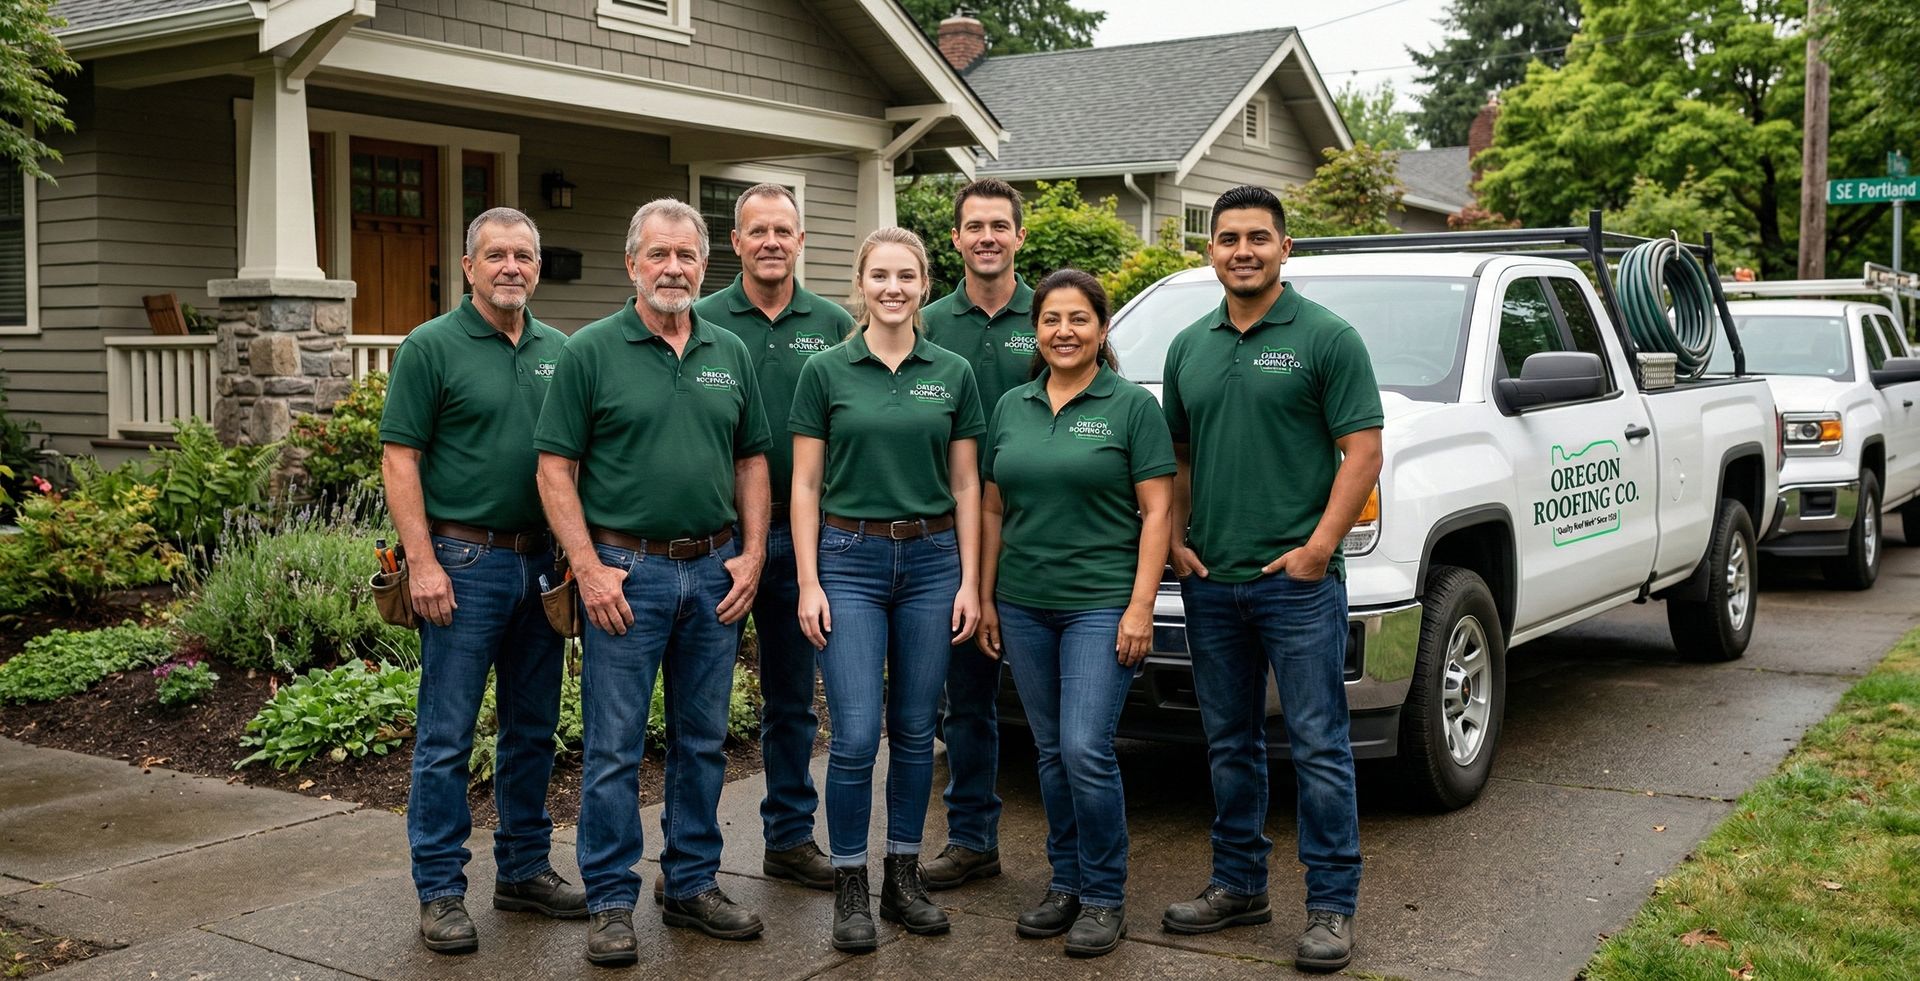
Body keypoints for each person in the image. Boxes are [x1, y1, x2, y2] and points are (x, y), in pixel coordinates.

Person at [533, 199, 773, 966]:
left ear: (707, 265)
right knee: (613, 746)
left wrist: (754, 552)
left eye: (688, 255)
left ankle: (693, 881)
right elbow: (554, 469)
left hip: (713, 571)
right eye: (659, 254)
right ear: (632, 263)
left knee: (703, 740)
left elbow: (752, 461)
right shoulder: (591, 352)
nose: (675, 268)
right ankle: (609, 898)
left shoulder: (728, 350)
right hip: (623, 576)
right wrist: (587, 566)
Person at [1158, 184, 1384, 973]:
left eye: (1258, 236)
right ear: (1211, 249)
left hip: (1297, 581)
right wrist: (1179, 541)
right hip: (1212, 582)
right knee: (1228, 741)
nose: (1242, 249)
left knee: (1319, 742)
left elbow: (1363, 452)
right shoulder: (1190, 345)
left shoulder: (1327, 337)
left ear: (1287, 247)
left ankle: (1331, 903)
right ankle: (1238, 882)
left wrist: (1320, 547)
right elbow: (1179, 456)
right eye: (1227, 238)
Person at [379, 206, 584, 956]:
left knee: (532, 729)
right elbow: (400, 459)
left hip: (543, 566)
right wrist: (423, 559)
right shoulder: (430, 347)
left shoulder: (562, 350)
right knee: (445, 735)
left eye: (524, 255)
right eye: (495, 254)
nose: (511, 267)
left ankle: (525, 869)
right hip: (464, 563)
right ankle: (439, 890)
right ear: (469, 267)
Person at [788, 226, 985, 953]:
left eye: (907, 275)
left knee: (912, 729)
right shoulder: (827, 370)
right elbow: (804, 483)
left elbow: (966, 482)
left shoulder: (952, 371)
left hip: (933, 560)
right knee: (856, 733)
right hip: (849, 559)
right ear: (861, 284)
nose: (893, 287)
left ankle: (902, 873)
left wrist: (968, 576)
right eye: (880, 275)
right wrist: (808, 580)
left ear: (924, 285)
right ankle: (850, 882)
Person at [976, 269, 1174, 958]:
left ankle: (1104, 894)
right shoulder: (1011, 406)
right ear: (1037, 330)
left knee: (1087, 748)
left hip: (1100, 603)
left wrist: (1140, 605)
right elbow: (995, 508)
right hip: (1025, 603)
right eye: (1051, 319)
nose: (1064, 331)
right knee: (1053, 752)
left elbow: (1157, 512)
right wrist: (988, 593)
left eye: (1078, 319)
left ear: (1102, 327)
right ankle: (1065, 880)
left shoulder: (1129, 408)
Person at [691, 183, 853, 893]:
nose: (771, 242)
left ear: (801, 240)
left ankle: (789, 835)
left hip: (805, 540)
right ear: (736, 242)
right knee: (701, 709)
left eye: (783, 230)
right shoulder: (698, 320)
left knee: (793, 698)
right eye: (757, 230)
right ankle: (688, 858)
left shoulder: (836, 322)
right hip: (718, 542)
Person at [918, 177, 1035, 889]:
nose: (987, 236)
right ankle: (971, 836)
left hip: (1042, 533)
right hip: (951, 533)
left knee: (1061, 714)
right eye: (974, 226)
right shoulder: (927, 323)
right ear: (955, 239)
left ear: (1020, 236)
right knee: (966, 696)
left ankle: (1080, 861)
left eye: (1000, 225)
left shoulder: (1052, 314)